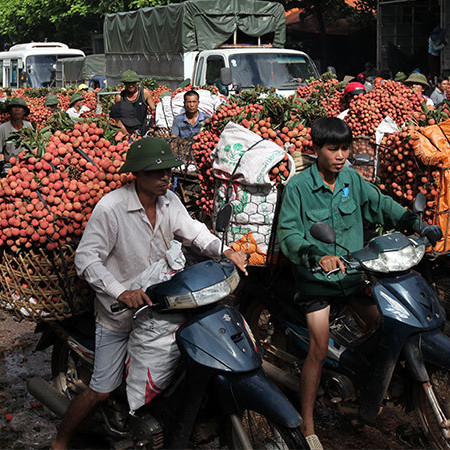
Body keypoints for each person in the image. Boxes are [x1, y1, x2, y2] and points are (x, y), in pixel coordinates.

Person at [50, 137, 247, 450]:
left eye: (168, 171)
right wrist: (121, 292)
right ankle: (60, 441)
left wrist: (225, 250)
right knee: (102, 389)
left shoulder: (170, 201)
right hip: (119, 315)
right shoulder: (112, 207)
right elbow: (86, 258)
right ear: (137, 174)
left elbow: (194, 232)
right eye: (157, 173)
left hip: (160, 308)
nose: (165, 178)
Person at [277, 117, 441, 450]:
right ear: (316, 149)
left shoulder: (352, 179)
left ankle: (368, 385)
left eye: (345, 148)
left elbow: (381, 205)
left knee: (387, 324)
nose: (340, 155)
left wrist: (415, 222)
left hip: (353, 275)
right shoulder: (298, 187)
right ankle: (307, 424)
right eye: (332, 148)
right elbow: (288, 233)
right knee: (319, 347)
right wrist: (313, 254)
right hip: (316, 282)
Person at [114, 70, 156, 135]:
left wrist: (151, 126)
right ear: (124, 83)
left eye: (133, 83)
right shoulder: (119, 97)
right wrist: (124, 131)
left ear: (136, 82)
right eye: (128, 83)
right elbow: (116, 118)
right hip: (126, 131)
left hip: (143, 129)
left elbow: (154, 110)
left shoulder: (144, 93)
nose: (131, 85)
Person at [0, 97, 33, 172]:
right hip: (9, 168)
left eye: (20, 107)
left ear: (24, 112)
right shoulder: (2, 128)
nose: (17, 109)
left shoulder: (29, 126)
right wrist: (9, 159)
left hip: (27, 165)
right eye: (14, 107)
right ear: (10, 111)